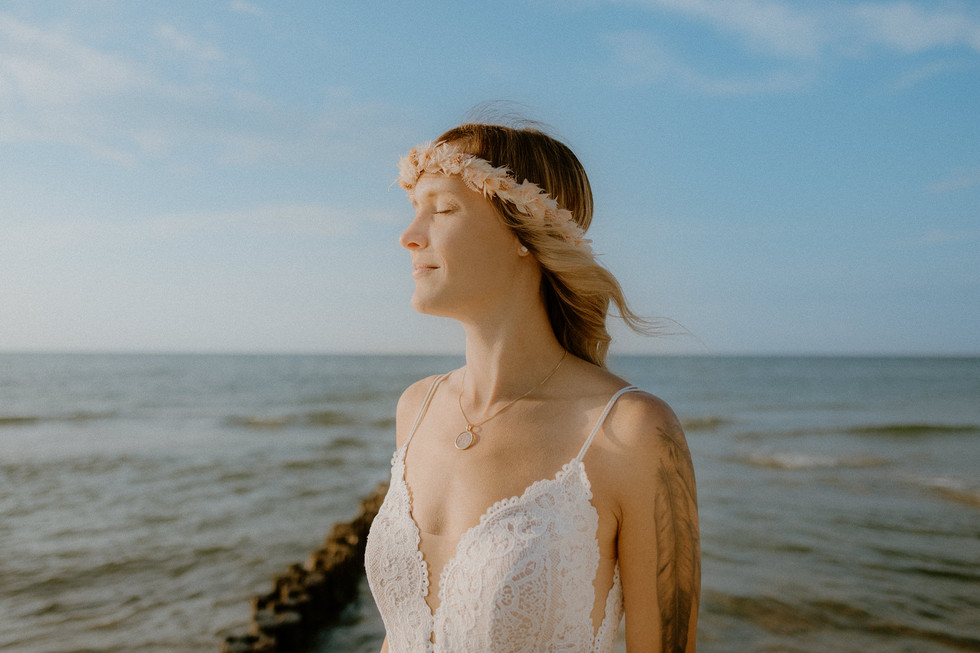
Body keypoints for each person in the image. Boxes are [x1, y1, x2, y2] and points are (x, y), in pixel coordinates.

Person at [365, 122, 700, 653]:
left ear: (525, 232)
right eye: (414, 208)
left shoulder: (630, 431)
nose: (408, 234)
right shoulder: (418, 407)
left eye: (443, 209)